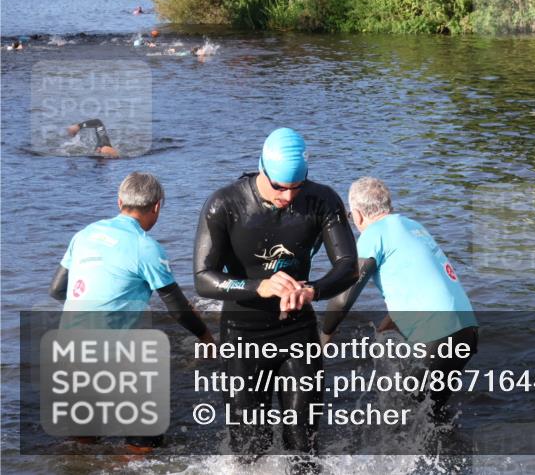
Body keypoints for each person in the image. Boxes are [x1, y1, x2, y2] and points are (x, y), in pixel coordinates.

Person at [193, 127, 359, 468]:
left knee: (304, 442)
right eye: (279, 187)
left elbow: (348, 267)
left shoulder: (322, 200)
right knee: (249, 445)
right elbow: (203, 279)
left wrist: (312, 290)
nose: (287, 197)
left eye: (296, 188)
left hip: (298, 332)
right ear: (262, 170)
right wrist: (260, 287)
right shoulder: (225, 204)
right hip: (243, 334)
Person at [49, 172, 214, 452]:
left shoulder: (84, 234)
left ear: (119, 201)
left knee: (83, 439)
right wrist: (207, 338)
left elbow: (56, 290)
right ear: (157, 207)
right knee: (143, 441)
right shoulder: (145, 247)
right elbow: (176, 307)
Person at [325, 177, 478, 419]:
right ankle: (453, 453)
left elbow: (344, 298)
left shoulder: (373, 235)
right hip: (466, 331)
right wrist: (390, 322)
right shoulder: (412, 226)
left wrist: (323, 337)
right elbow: (422, 281)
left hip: (438, 336)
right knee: (432, 413)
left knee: (404, 413)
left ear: (357, 214)